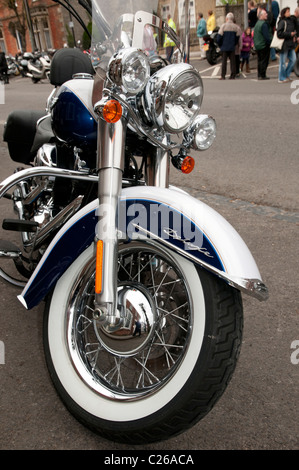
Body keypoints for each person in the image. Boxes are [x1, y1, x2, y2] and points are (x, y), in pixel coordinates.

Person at [217, 12, 240, 80]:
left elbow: (219, 37)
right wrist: (234, 44)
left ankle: (223, 75)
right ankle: (233, 75)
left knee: (224, 62)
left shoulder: (223, 26)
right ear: (232, 19)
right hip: (232, 46)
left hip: (224, 46)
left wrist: (220, 44)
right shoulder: (236, 27)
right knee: (233, 62)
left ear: (227, 18)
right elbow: (237, 38)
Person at [277, 7, 297, 83]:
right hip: (284, 45)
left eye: (289, 11)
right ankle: (281, 78)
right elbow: (279, 33)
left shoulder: (291, 21)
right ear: (284, 13)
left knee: (293, 59)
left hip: (291, 44)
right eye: (287, 11)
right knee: (282, 62)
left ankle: (286, 75)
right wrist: (289, 34)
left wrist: (294, 35)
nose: (289, 13)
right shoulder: (282, 22)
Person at [253, 9, 272, 80]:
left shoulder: (257, 23)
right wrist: (269, 42)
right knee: (264, 60)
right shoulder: (264, 24)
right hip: (263, 45)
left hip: (258, 44)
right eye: (265, 14)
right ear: (261, 15)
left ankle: (259, 74)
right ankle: (262, 75)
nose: (267, 15)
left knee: (260, 60)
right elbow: (266, 36)